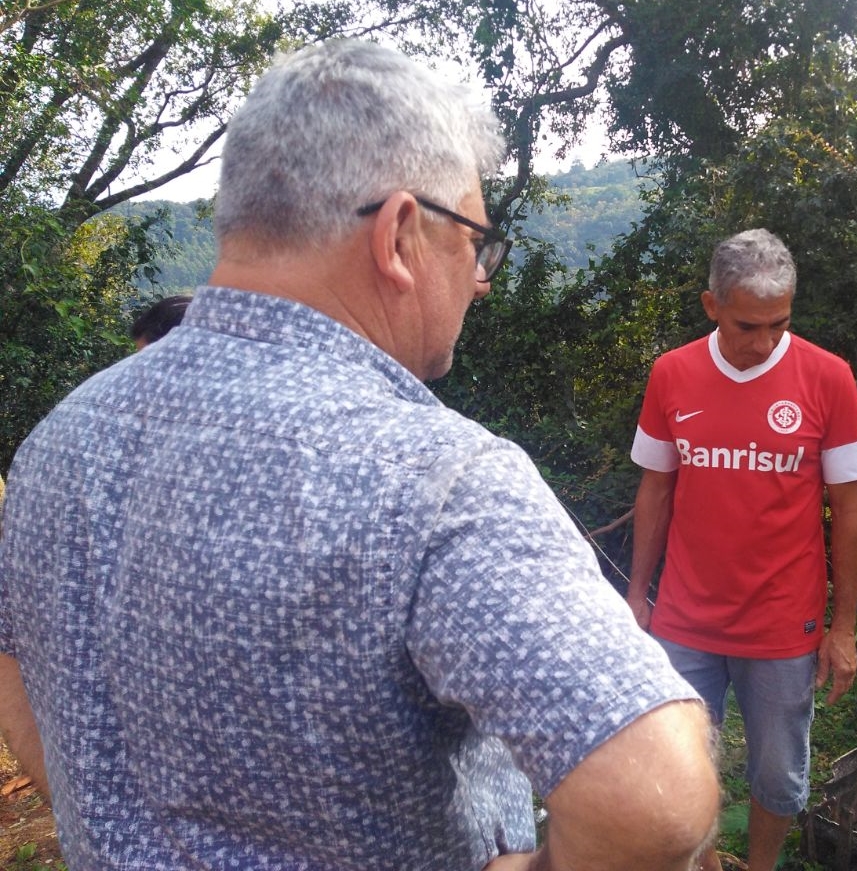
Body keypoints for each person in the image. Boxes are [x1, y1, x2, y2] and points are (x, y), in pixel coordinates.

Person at [0, 39, 719, 871]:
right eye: (475, 242)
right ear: (401, 232)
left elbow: (13, 664)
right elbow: (655, 793)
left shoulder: (59, 440)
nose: (481, 279)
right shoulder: (434, 477)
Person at [627, 228, 857, 871]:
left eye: (779, 324)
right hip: (685, 619)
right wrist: (636, 596)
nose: (764, 341)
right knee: (684, 766)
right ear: (712, 306)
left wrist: (843, 626)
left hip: (783, 623)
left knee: (777, 773)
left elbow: (851, 510)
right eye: (748, 325)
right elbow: (656, 491)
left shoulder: (827, 378)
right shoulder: (673, 373)